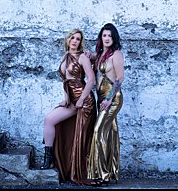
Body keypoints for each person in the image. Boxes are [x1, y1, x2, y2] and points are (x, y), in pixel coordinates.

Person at [41, 29, 97, 185]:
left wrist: (81, 100)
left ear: (80, 42)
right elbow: (66, 80)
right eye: (72, 38)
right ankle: (48, 159)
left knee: (82, 139)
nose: (75, 41)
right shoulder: (65, 56)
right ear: (67, 40)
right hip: (72, 100)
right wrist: (66, 98)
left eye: (78, 39)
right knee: (49, 119)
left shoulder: (83, 57)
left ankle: (83, 171)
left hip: (84, 101)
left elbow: (91, 80)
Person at [87, 23, 125, 184]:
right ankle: (111, 171)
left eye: (110, 35)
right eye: (104, 35)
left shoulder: (116, 54)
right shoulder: (101, 54)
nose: (107, 38)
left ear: (113, 38)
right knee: (109, 134)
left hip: (112, 99)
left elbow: (119, 78)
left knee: (98, 132)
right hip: (101, 99)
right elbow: (95, 60)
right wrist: (88, 55)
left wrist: (109, 99)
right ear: (101, 38)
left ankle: (102, 175)